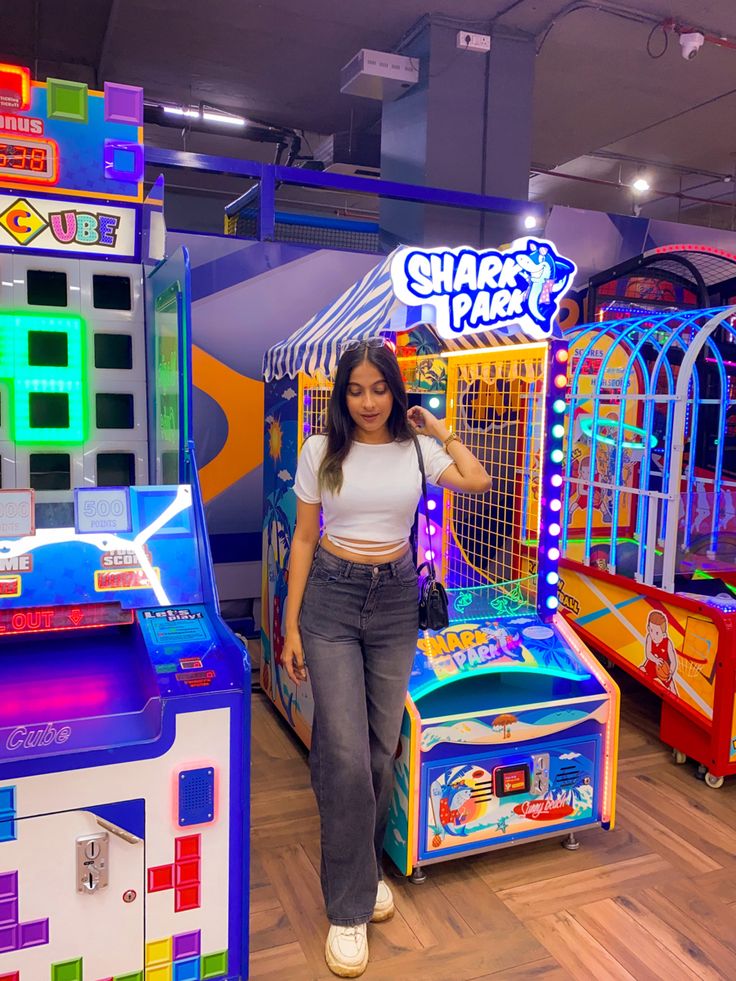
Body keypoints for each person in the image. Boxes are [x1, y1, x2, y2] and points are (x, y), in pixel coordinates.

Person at [282, 337, 491, 978]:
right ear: (341, 396)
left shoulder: (417, 447)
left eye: (379, 388)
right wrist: (289, 624)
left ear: (396, 392)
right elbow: (305, 538)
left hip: (397, 599)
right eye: (356, 389)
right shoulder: (321, 451)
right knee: (344, 752)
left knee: (377, 750)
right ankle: (347, 910)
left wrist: (443, 428)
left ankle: (363, 866)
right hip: (331, 603)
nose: (369, 401)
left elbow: (478, 480)